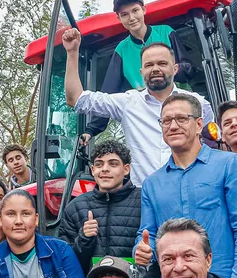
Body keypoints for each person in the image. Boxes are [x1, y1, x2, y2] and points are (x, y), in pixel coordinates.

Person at [136, 93, 237, 278]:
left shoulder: (229, 165)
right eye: (166, 121)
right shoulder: (152, 183)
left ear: (199, 124)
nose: (173, 126)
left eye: (181, 118)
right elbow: (147, 235)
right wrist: (142, 249)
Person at [63, 29, 214, 186]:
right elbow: (76, 99)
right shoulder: (128, 103)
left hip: (193, 191)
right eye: (149, 65)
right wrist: (72, 53)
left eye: (162, 63)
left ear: (175, 69)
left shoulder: (199, 103)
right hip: (144, 195)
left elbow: (213, 145)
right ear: (142, 71)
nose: (155, 69)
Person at [80, 0, 194, 145]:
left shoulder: (166, 32)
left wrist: (166, 74)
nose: (131, 18)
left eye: (135, 11)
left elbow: (189, 68)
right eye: (124, 14)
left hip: (181, 111)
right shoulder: (122, 50)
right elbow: (109, 92)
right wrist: (91, 130)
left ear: (143, 10)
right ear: (119, 18)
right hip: (150, 119)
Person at [60, 140, 143, 275]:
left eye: (113, 164)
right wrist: (84, 239)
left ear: (126, 169)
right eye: (99, 164)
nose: (105, 169)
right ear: (93, 170)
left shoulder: (144, 201)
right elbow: (65, 263)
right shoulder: (75, 208)